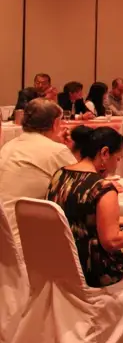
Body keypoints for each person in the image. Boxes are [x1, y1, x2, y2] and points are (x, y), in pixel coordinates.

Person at [46, 127, 123, 287]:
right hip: (91, 269)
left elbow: (76, 217)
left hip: (59, 260)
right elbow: (111, 241)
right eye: (118, 158)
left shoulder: (59, 175)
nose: (116, 165)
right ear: (105, 153)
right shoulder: (102, 188)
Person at [0, 99, 77, 245]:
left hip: (5, 239)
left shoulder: (9, 146)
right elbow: (82, 185)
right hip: (28, 241)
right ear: (55, 124)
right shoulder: (55, 151)